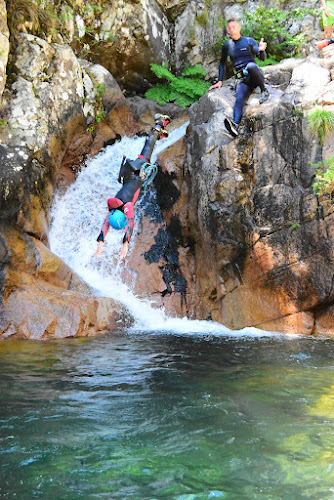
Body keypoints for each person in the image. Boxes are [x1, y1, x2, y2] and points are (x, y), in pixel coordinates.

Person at [95, 113, 170, 261]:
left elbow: (130, 224)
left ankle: (158, 124)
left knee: (148, 148)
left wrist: (125, 245)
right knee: (147, 149)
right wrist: (100, 241)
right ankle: (158, 134)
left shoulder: (127, 206)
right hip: (128, 174)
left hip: (136, 170)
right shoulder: (113, 207)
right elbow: (106, 223)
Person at [209, 18, 269, 137]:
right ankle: (234, 126)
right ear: (228, 30)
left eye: (234, 27)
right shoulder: (228, 45)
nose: (232, 29)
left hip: (255, 75)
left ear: (239, 27)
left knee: (251, 66)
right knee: (239, 98)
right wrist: (220, 81)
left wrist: (262, 50)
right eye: (230, 28)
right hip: (243, 80)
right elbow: (222, 63)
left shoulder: (248, 41)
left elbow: (262, 58)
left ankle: (264, 90)